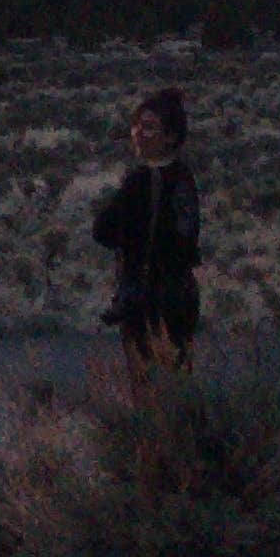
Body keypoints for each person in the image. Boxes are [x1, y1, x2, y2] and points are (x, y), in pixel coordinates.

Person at [90, 86, 201, 371]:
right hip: (179, 295)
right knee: (178, 381)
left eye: (149, 127)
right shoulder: (184, 178)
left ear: (170, 136)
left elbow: (102, 230)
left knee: (146, 384)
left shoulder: (139, 181)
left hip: (145, 296)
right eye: (137, 125)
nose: (138, 133)